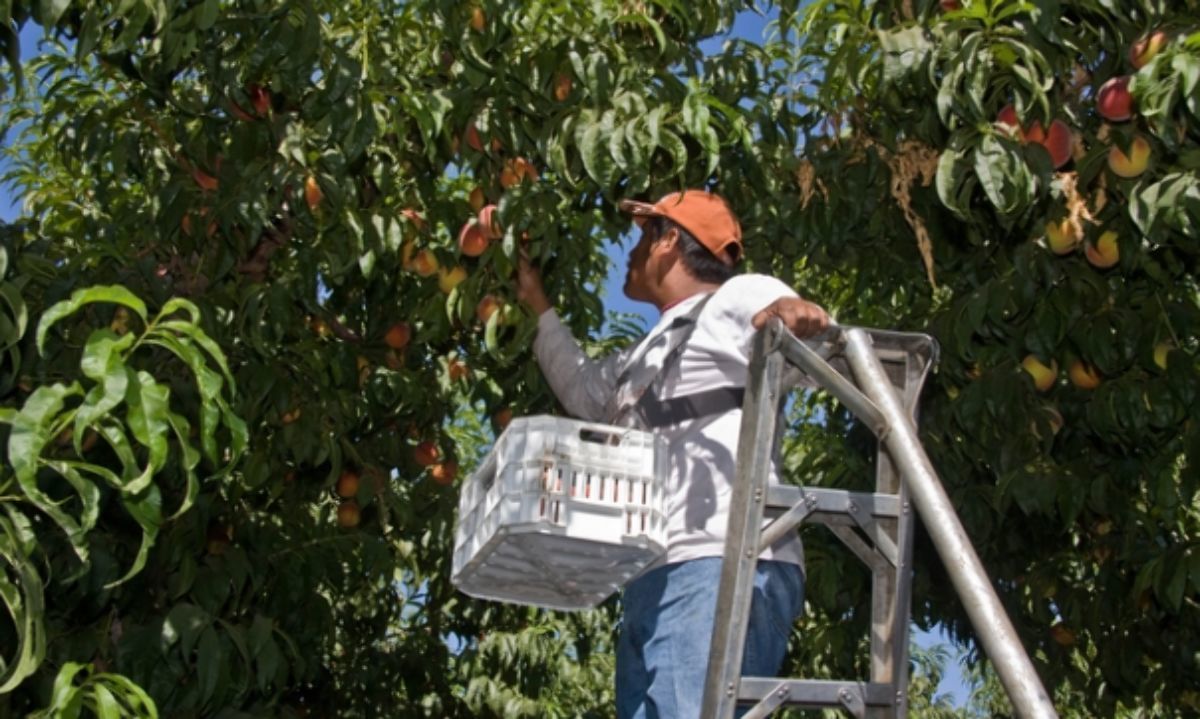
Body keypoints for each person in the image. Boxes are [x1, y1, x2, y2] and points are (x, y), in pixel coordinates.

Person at [515, 189, 830, 719]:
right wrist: (537, 305)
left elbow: (793, 326)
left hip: (721, 561)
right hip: (652, 572)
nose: (631, 252)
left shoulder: (736, 297)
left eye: (642, 236)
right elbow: (582, 390)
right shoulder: (646, 353)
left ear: (669, 242)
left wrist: (792, 315)